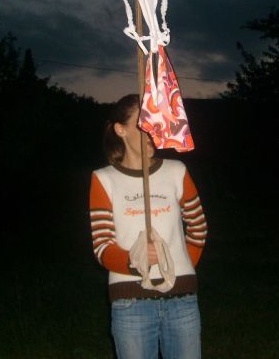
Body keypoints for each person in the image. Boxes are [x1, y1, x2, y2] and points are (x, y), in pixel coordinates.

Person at [89, 94, 207, 359]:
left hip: (182, 301)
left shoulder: (177, 171)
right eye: (143, 125)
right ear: (121, 130)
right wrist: (135, 261)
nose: (152, 132)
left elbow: (198, 226)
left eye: (154, 124)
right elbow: (102, 245)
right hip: (131, 304)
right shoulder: (103, 179)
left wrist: (179, 266)